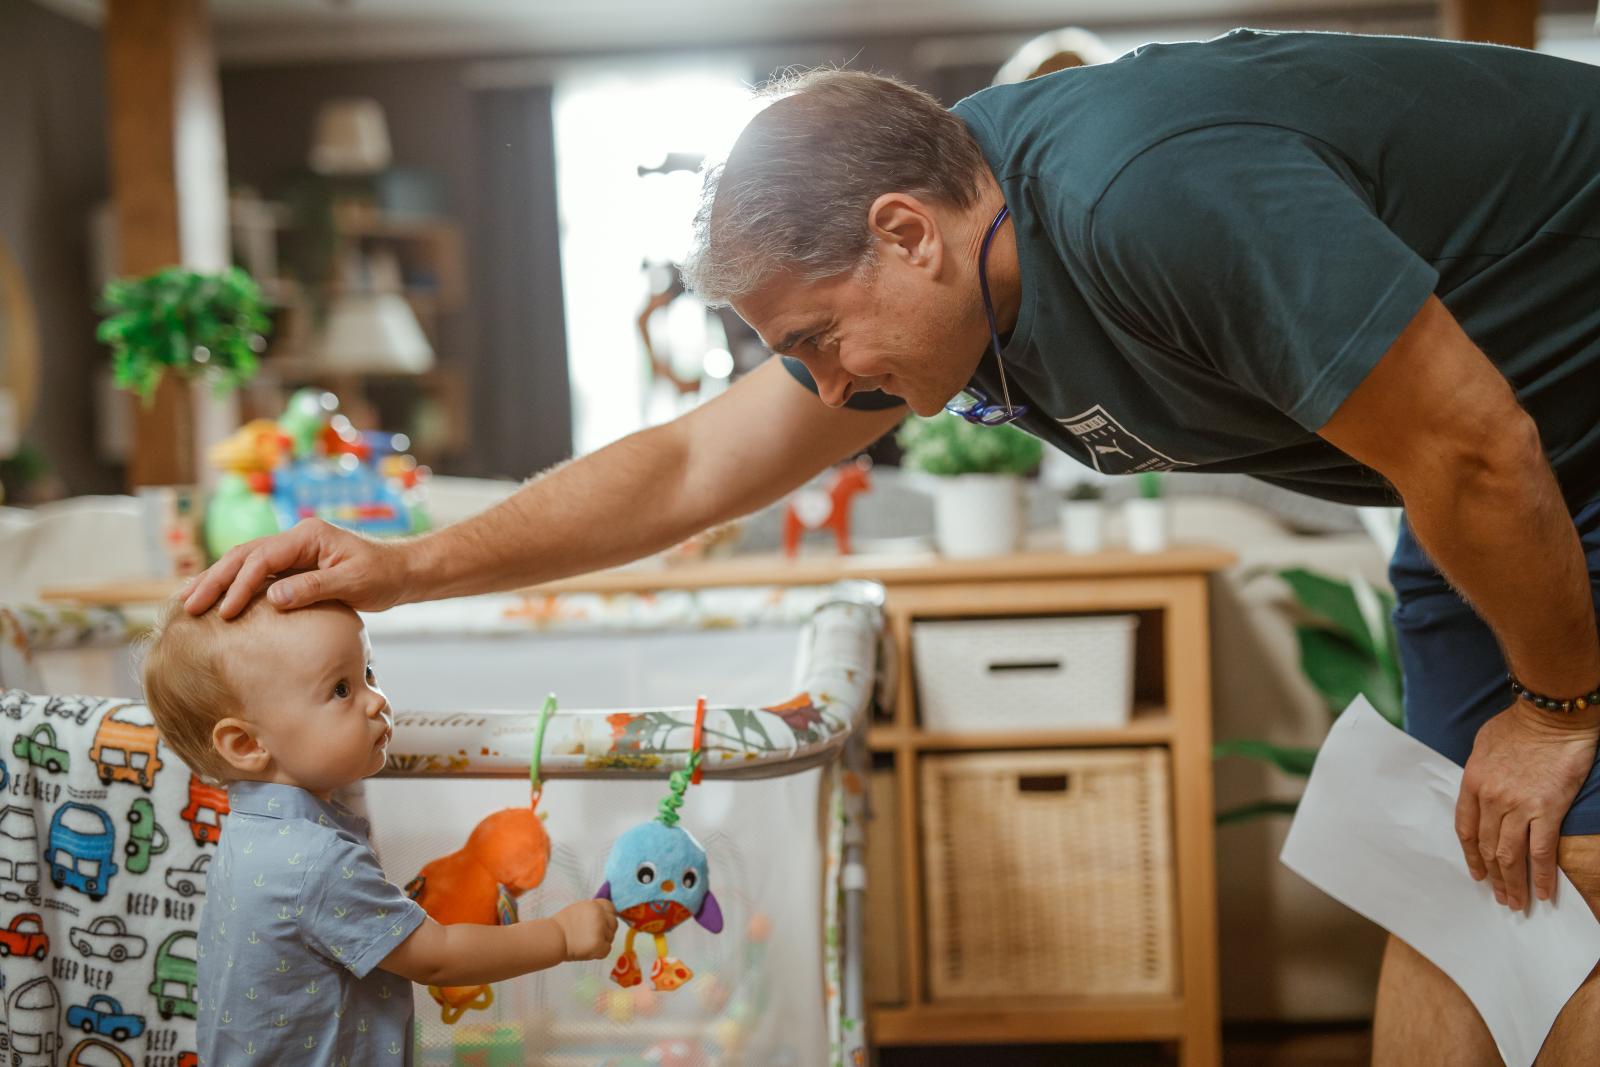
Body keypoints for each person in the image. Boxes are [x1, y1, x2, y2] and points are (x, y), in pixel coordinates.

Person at [184, 29, 1600, 1063]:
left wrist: (1556, 701)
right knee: (1460, 871)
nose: (823, 380)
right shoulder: (965, 271)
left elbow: (1478, 444)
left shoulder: (1148, 200)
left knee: (1569, 876)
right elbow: (687, 463)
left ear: (904, 233)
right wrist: (399, 561)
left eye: (814, 337)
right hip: (1505, 474)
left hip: (1544, 440)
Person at [141, 593, 618, 1066]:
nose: (377, 701)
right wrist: (559, 935)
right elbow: (437, 957)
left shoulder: (250, 832)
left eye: (368, 672)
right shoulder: (316, 861)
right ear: (246, 744)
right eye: (341, 690)